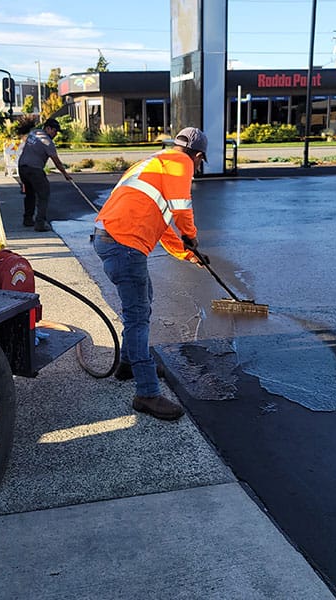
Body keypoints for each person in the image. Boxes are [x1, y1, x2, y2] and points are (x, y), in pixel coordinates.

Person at [91, 126, 208, 421]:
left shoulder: (155, 163)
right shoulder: (181, 163)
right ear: (198, 156)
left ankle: (129, 363)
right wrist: (192, 236)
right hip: (124, 243)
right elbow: (182, 210)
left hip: (108, 237)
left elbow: (166, 223)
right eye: (199, 162)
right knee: (138, 316)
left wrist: (188, 253)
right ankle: (146, 393)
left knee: (143, 301)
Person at [17, 118, 71, 232]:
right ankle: (40, 223)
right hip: (34, 169)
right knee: (43, 194)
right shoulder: (47, 142)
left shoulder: (34, 133)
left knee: (30, 194)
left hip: (22, 167)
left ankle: (27, 219)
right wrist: (65, 174)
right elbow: (56, 161)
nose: (55, 134)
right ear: (48, 128)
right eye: (54, 131)